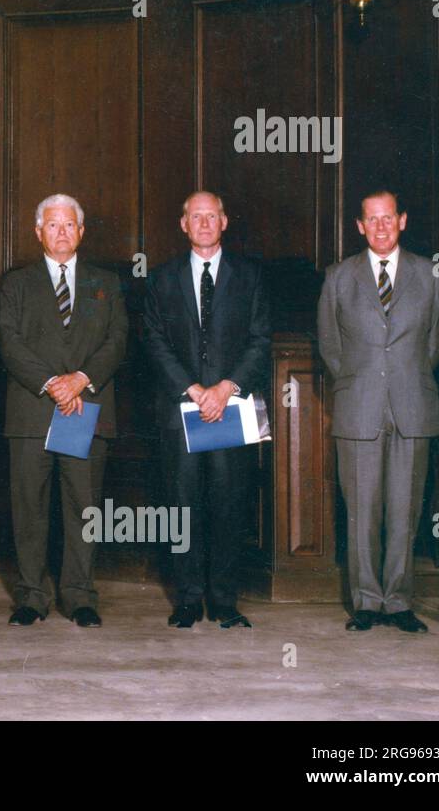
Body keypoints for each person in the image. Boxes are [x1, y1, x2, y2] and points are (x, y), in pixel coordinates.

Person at [317, 189, 439, 633]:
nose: (380, 226)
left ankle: (399, 601)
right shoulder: (338, 278)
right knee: (362, 512)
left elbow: (436, 342)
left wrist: (402, 378)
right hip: (358, 410)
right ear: (359, 225)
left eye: (388, 218)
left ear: (403, 220)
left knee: (405, 509)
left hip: (413, 406)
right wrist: (366, 381)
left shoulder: (429, 274)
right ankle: (367, 602)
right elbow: (330, 348)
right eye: (371, 219)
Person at [142, 191, 271, 629]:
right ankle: (187, 598)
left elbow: (260, 340)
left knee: (229, 502)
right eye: (195, 216)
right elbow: (154, 341)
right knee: (182, 505)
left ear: (224, 221)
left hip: (231, 407)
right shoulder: (161, 279)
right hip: (182, 408)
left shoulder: (249, 276)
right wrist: (194, 389)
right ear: (183, 225)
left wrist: (225, 388)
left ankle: (224, 600)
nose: (203, 223)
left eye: (211, 215)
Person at [0, 193, 127, 628]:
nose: (61, 232)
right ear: (38, 233)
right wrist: (53, 383)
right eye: (52, 225)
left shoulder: (106, 282)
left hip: (85, 409)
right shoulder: (17, 283)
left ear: (82, 232)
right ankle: (32, 595)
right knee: (29, 508)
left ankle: (79, 594)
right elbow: (10, 342)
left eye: (69, 225)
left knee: (83, 506)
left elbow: (117, 341)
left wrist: (80, 380)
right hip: (33, 410)